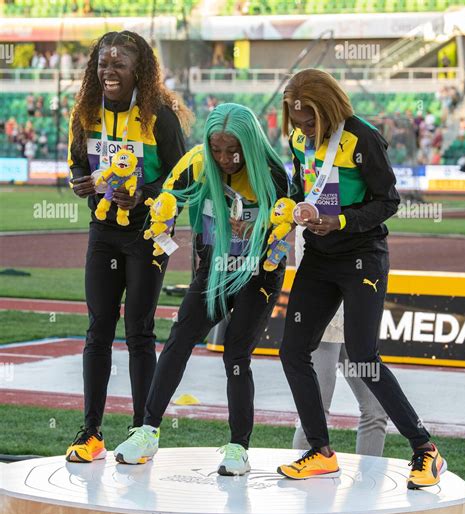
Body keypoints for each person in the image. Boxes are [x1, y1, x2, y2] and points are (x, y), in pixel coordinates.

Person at [276, 69, 446, 490]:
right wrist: (298, 210)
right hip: (318, 254)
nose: (304, 129)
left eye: (311, 121)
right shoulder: (299, 140)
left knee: (364, 356)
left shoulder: (363, 137)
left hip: (361, 257)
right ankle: (320, 451)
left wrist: (341, 220)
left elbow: (389, 200)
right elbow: (303, 187)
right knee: (292, 349)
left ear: (329, 107)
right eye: (298, 123)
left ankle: (425, 449)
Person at [113, 103, 290, 475]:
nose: (224, 159)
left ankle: (239, 447)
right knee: (178, 340)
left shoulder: (273, 174)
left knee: (236, 353)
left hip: (258, 273)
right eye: (217, 149)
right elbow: (167, 196)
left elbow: (287, 221)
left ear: (250, 144)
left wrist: (260, 233)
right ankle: (147, 431)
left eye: (233, 150)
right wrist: (162, 215)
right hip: (212, 272)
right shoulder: (196, 161)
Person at [65, 30, 193, 463]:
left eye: (118, 64)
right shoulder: (84, 113)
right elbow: (79, 165)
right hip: (103, 230)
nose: (108, 71)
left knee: (139, 331)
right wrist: (79, 183)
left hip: (147, 234)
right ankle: (91, 432)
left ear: (139, 69)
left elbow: (184, 180)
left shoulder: (161, 117)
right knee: (98, 328)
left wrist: (144, 194)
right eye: (103, 64)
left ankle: (143, 431)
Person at [292, 227, 388, 457]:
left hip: (356, 326)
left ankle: (369, 481)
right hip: (325, 328)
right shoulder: (313, 219)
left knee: (376, 409)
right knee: (316, 412)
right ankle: (301, 476)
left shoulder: (364, 216)